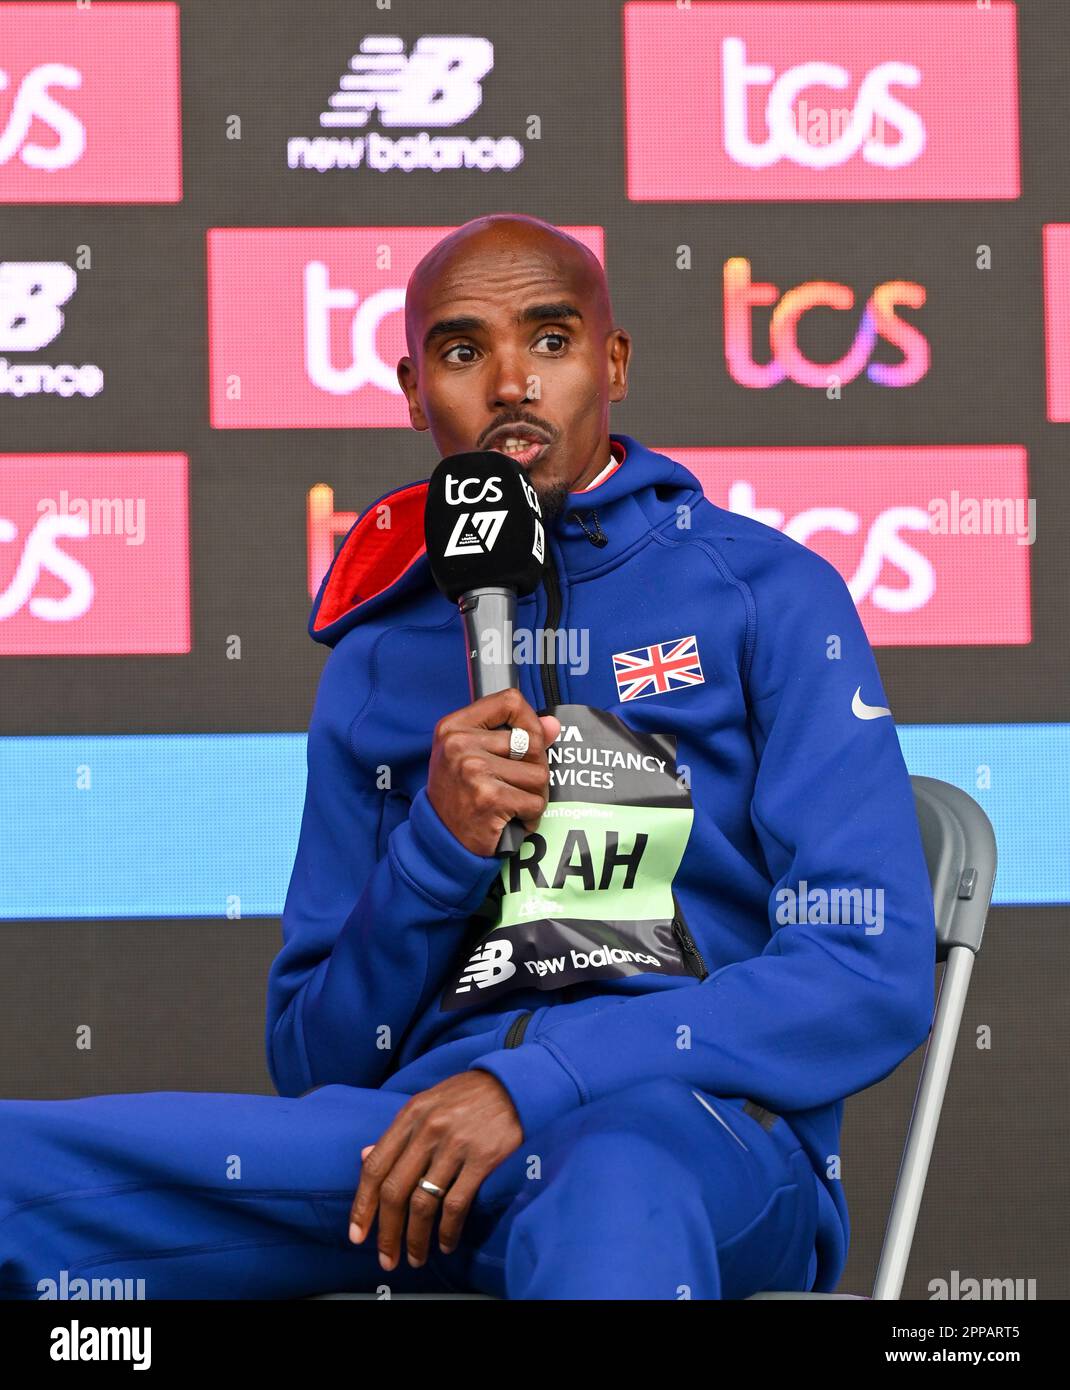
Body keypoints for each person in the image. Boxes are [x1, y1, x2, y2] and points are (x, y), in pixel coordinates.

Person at [0, 214, 935, 1301]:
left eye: (548, 341)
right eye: (461, 351)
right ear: (411, 389)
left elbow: (865, 974)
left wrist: (538, 1081)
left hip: (690, 1137)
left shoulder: (766, 595)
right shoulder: (378, 650)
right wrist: (436, 851)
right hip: (416, 1152)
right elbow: (316, 1061)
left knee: (607, 1187)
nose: (509, 384)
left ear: (612, 362)